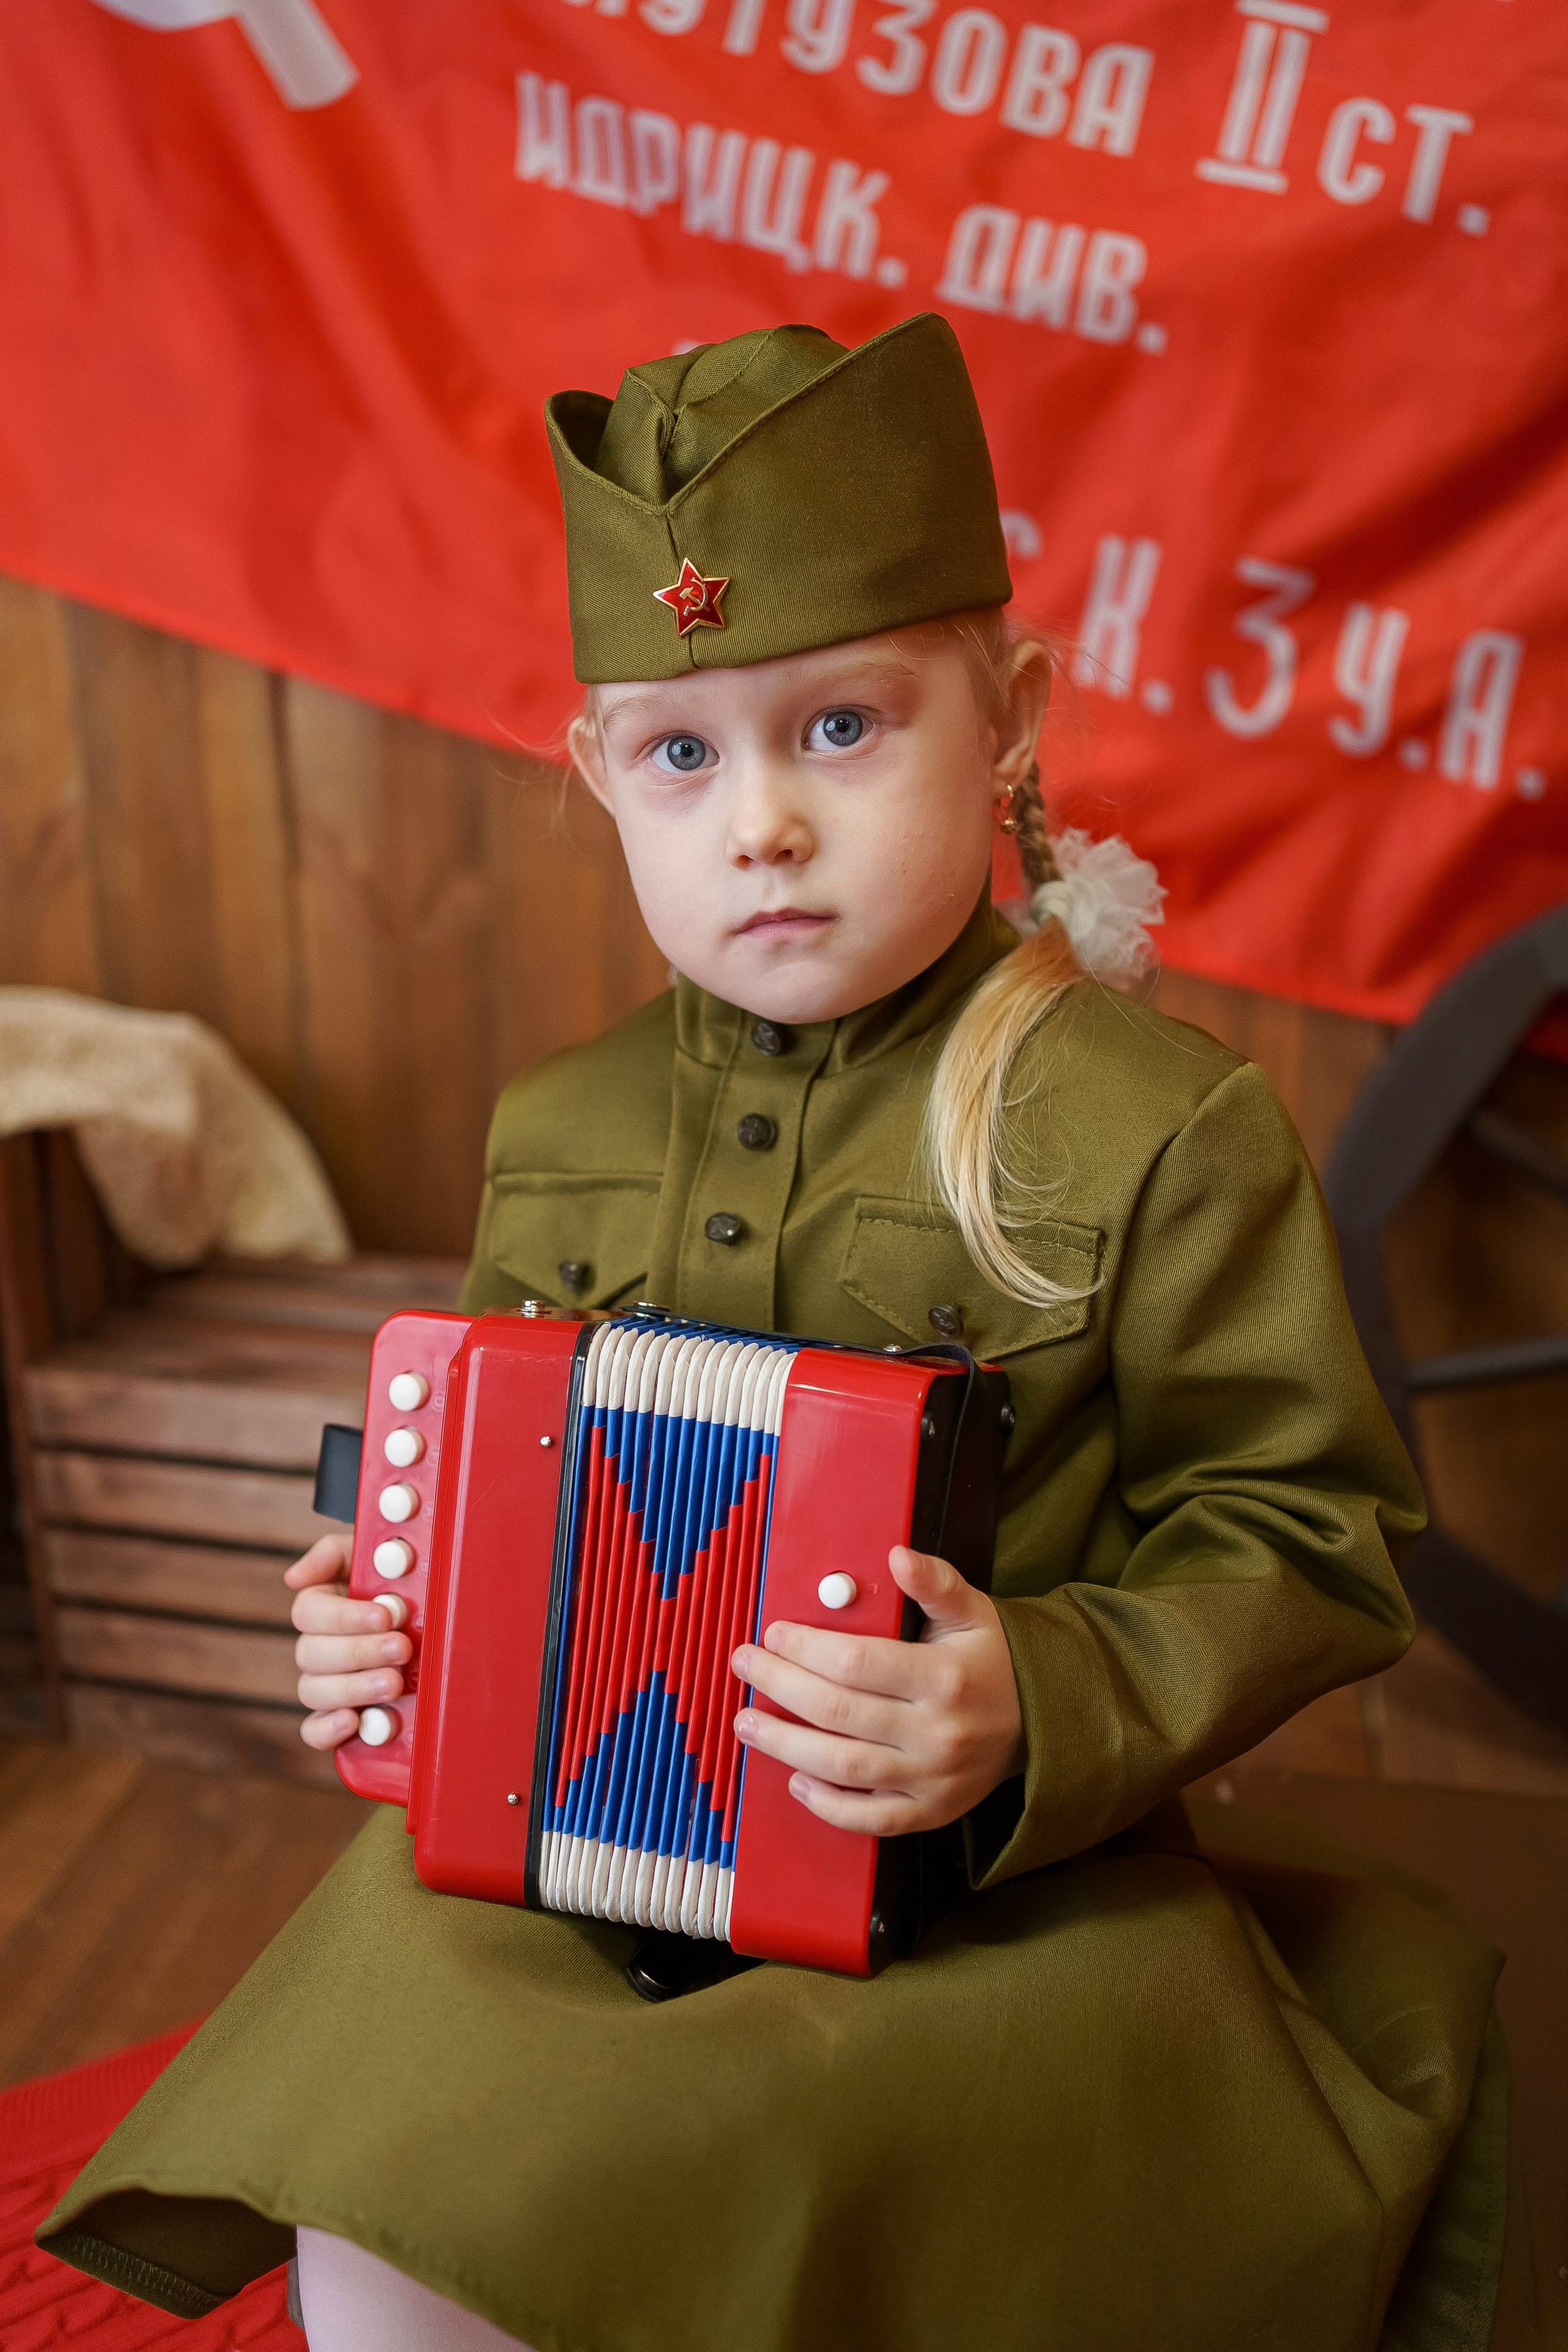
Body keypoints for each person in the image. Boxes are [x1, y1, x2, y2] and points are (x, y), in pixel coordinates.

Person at [40, 315, 1507, 2352]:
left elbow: (1309, 1535)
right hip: (570, 1869)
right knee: (377, 2230)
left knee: (867, 2212)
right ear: (601, 779)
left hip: (985, 1895)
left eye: (840, 727)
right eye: (682, 755)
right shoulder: (558, 1125)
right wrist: (386, 1625)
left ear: (1008, 724)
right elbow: (478, 1499)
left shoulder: (1161, 1128)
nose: (762, 826)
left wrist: (1034, 1696)